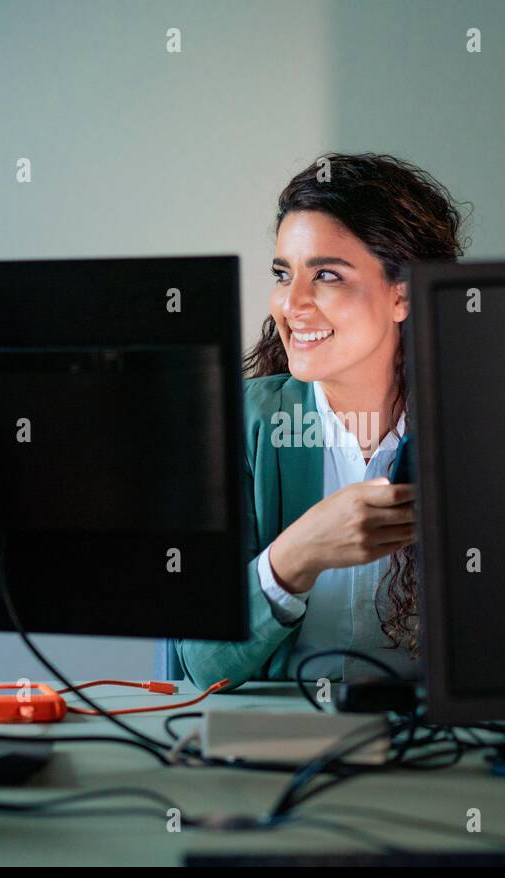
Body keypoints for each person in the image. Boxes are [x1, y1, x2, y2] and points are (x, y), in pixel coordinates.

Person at [176, 153, 468, 689]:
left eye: (326, 275)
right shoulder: (235, 423)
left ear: (402, 293)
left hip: (436, 745)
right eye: (284, 274)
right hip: (273, 741)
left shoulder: (478, 428)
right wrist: (299, 554)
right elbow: (199, 663)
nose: (292, 303)